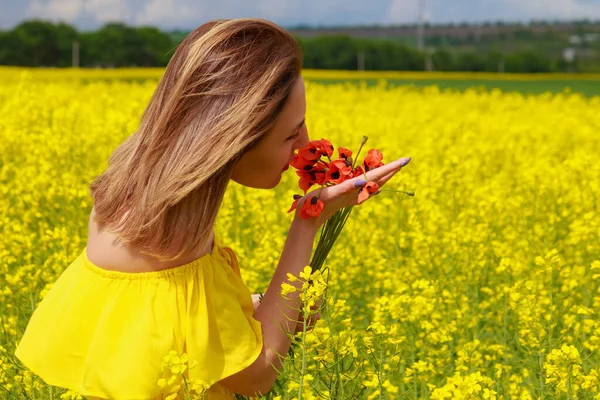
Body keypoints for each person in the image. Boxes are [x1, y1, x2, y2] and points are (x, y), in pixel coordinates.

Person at [14, 18, 410, 399]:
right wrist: (311, 218)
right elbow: (256, 375)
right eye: (292, 132)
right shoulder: (172, 240)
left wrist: (264, 306)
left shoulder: (132, 207)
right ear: (236, 137)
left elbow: (165, 333)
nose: (304, 144)